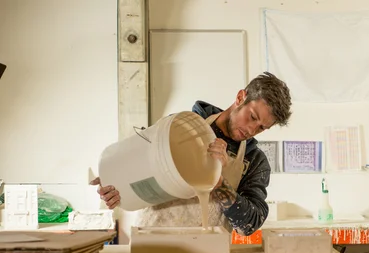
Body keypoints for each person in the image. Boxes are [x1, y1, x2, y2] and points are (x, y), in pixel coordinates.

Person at [91, 72, 292, 236]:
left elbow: (249, 224)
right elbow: (139, 168)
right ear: (241, 97)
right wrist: (116, 184)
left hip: (207, 252)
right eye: (252, 117)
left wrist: (219, 183)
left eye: (261, 127)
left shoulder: (254, 161)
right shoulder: (179, 127)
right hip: (153, 243)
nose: (251, 130)